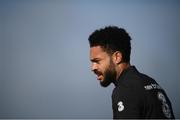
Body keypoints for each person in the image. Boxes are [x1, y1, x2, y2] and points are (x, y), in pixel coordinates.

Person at [88, 26, 175, 119]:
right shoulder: (151, 83)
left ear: (117, 57)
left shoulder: (125, 90)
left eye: (97, 61)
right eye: (92, 62)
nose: (93, 68)